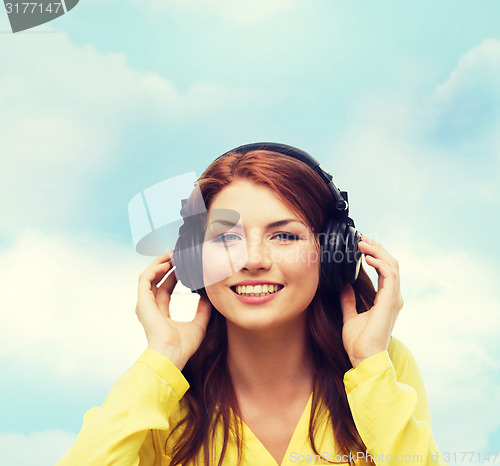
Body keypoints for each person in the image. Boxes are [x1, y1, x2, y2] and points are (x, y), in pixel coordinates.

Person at [57, 143, 447, 465]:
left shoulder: (382, 364)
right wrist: (161, 362)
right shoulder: (160, 386)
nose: (253, 259)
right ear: (194, 258)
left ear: (331, 252)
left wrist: (370, 365)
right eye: (226, 239)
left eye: (285, 237)